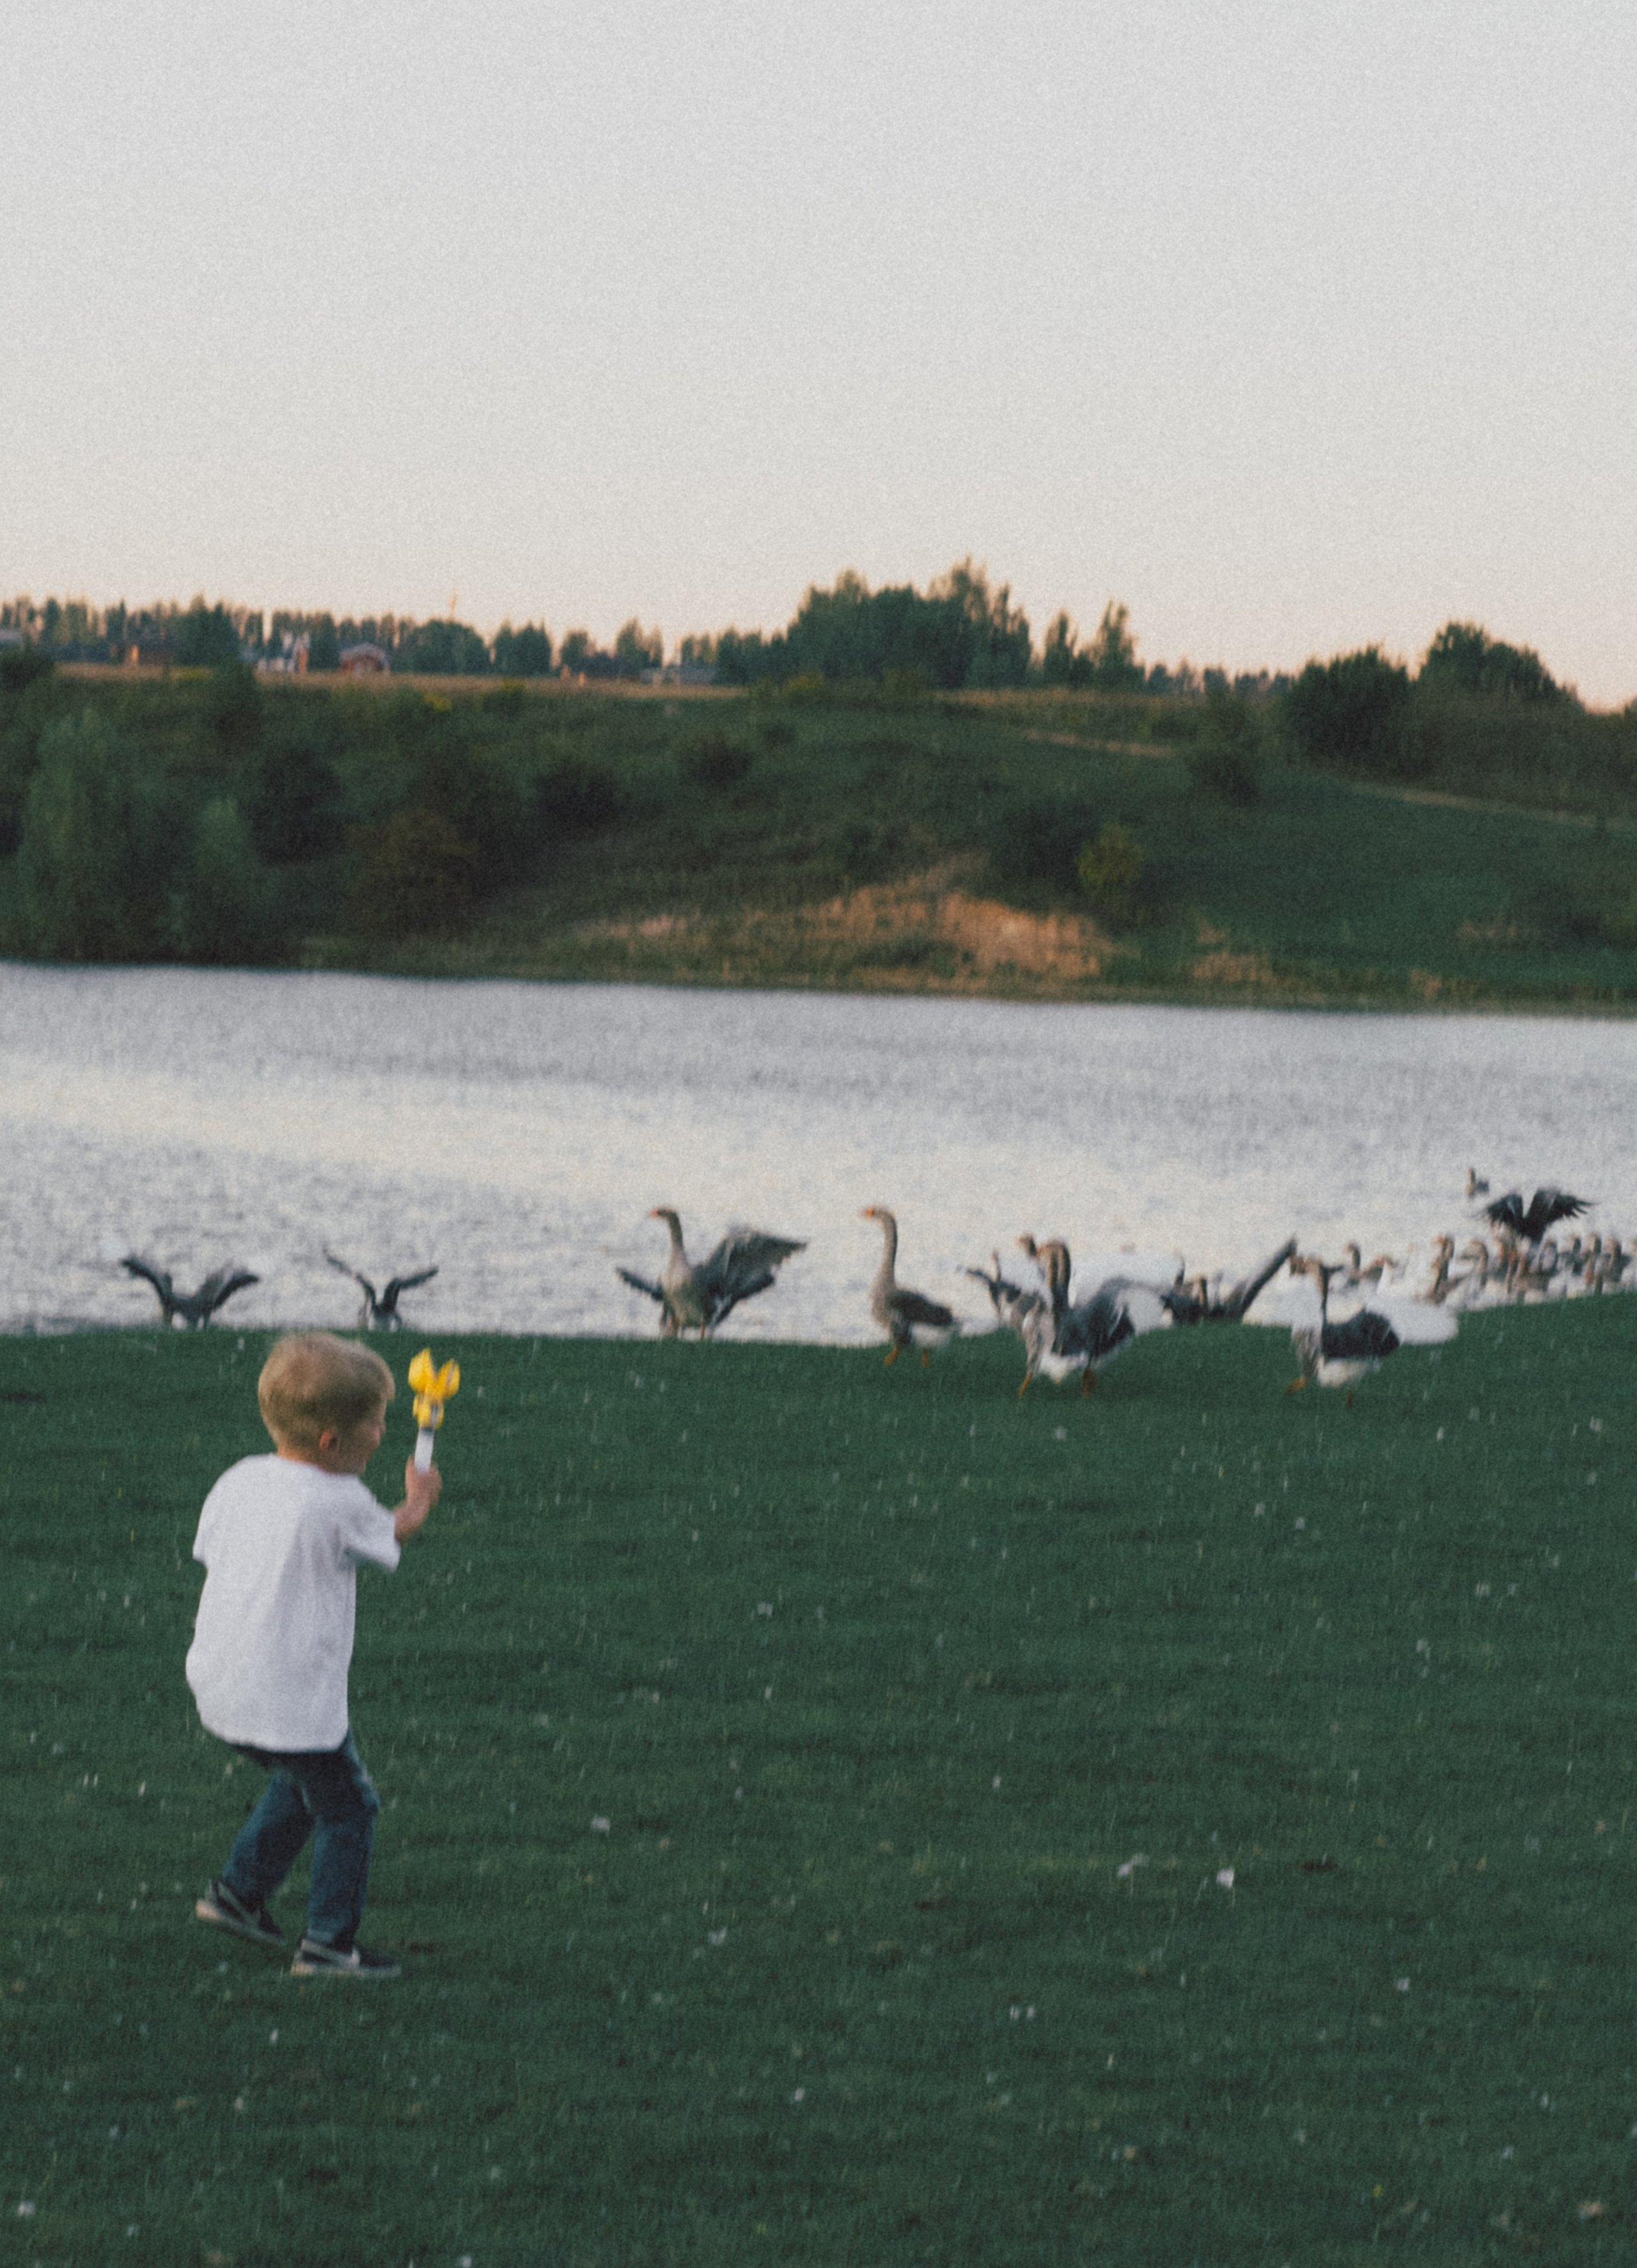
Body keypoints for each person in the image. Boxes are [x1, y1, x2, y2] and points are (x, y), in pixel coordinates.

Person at [185, 1332, 440, 1978]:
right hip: (288, 1692)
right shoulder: (340, 1500)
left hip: (222, 1683)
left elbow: (213, 1551)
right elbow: (392, 1532)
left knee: (302, 1779)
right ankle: (330, 1943)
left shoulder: (241, 1478)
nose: (384, 1431)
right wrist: (417, 1500)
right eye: (376, 1423)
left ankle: (237, 1896)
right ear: (332, 1441)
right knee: (349, 1805)